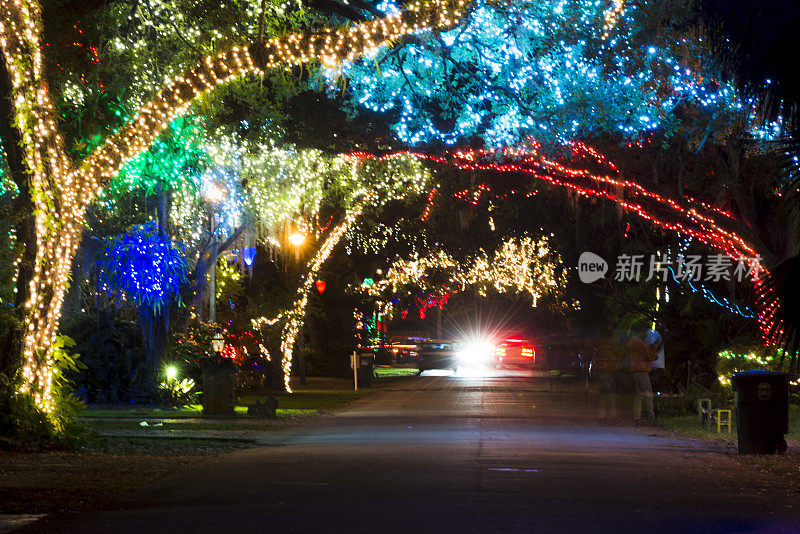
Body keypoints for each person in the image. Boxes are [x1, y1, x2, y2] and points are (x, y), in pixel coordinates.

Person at [628, 334, 657, 425]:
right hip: (642, 371)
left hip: (636, 370)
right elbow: (648, 356)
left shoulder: (634, 343)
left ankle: (637, 419)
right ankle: (651, 419)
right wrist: (654, 349)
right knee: (649, 394)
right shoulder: (640, 344)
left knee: (639, 396)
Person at [645, 327, 665, 395]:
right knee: (656, 378)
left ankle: (654, 392)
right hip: (658, 363)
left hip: (654, 363)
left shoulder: (652, 335)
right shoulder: (657, 336)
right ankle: (656, 392)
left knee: (654, 378)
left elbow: (652, 346)